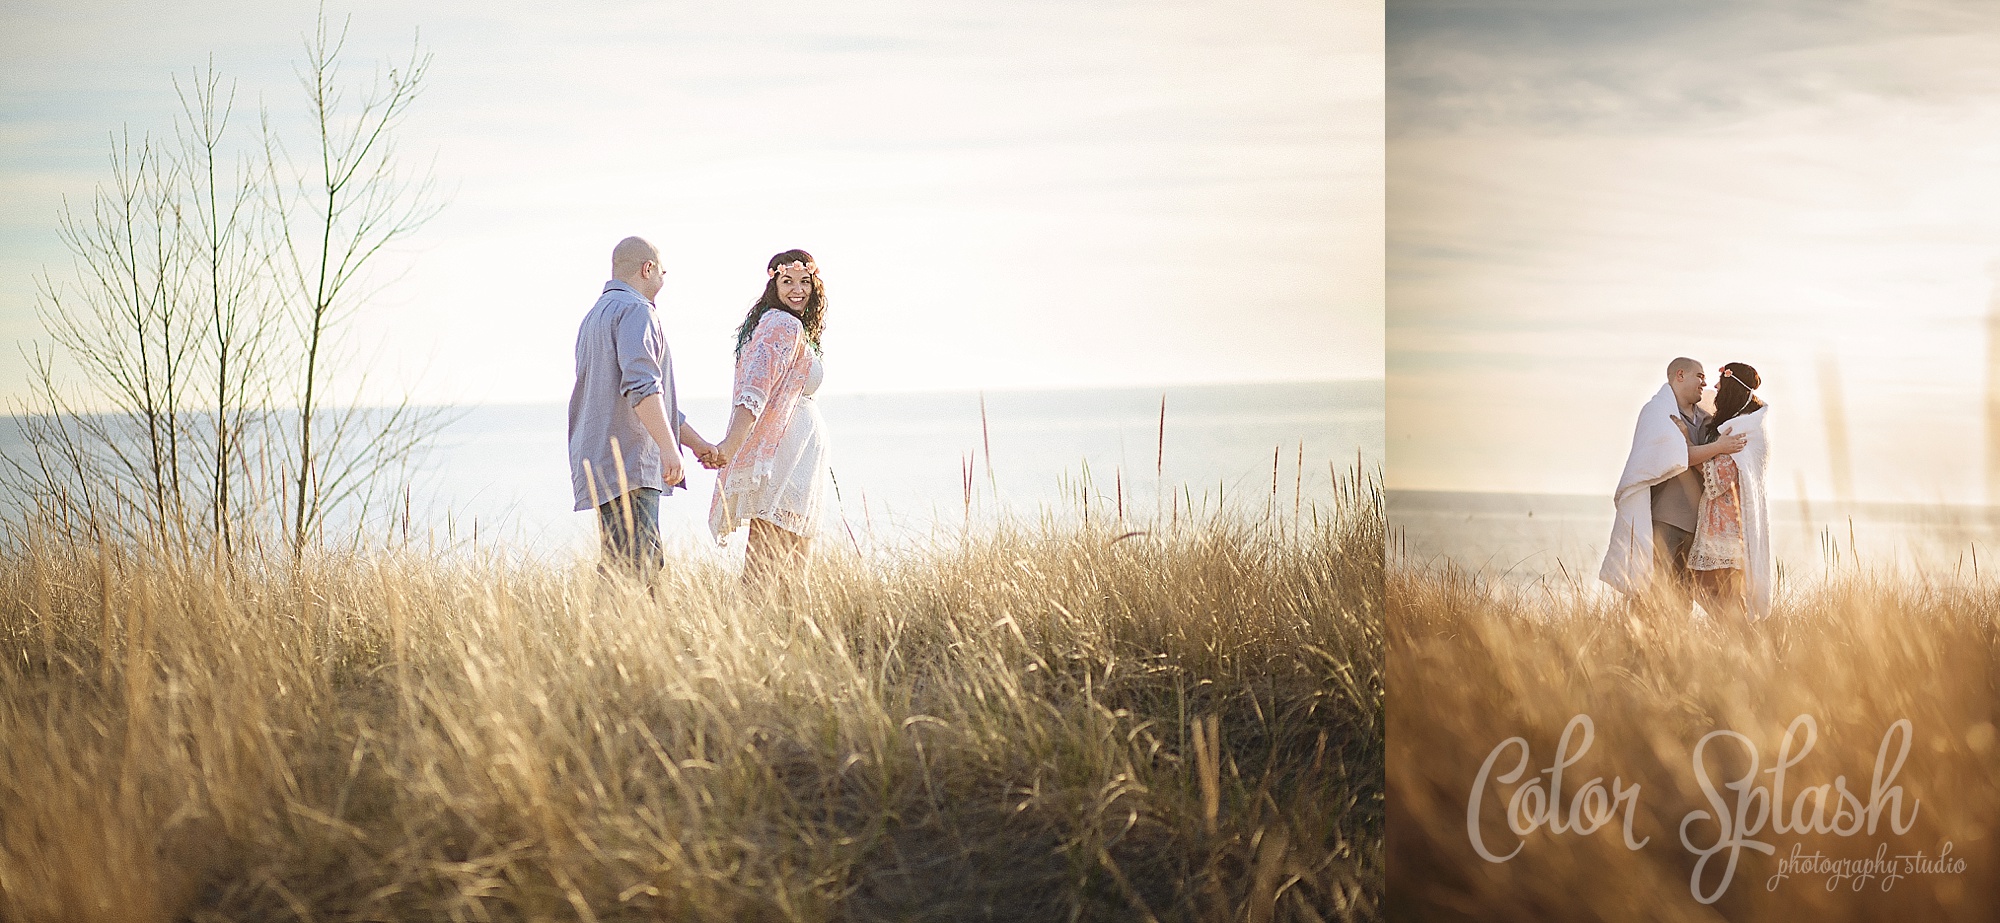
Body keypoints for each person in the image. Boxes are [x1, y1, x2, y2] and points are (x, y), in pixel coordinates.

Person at [567, 236, 721, 577]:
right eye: (663, 272)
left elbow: (651, 399)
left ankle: (610, 630)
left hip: (599, 459)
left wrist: (697, 445)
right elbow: (642, 388)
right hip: (631, 461)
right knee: (639, 569)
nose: (664, 280)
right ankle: (626, 631)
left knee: (622, 564)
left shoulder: (594, 317)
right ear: (647, 269)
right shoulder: (637, 311)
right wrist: (669, 449)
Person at [707, 249, 831, 588]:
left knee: (785, 566)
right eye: (787, 281)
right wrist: (730, 446)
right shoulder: (782, 324)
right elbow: (755, 390)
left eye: (804, 282)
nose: (797, 290)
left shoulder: (781, 326)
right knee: (769, 566)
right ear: (773, 284)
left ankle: (787, 633)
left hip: (794, 456)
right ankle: (755, 632)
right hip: (785, 458)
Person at [1600, 357, 1749, 613]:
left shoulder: (1705, 419)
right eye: (1699, 376)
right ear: (1680, 375)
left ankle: (1675, 648)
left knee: (1682, 598)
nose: (1704, 382)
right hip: (1666, 519)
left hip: (1697, 525)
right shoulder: (1660, 414)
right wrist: (1717, 447)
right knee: (1652, 591)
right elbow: (1676, 458)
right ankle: (1639, 645)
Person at [1685, 362, 1771, 620]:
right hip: (1720, 525)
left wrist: (1687, 443)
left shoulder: (1743, 429)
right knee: (1713, 591)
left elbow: (1719, 478)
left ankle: (1743, 647)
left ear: (1731, 389)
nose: (1715, 387)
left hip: (1727, 530)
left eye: (1720, 384)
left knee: (1719, 594)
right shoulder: (1739, 424)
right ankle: (1738, 647)